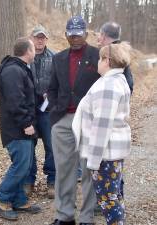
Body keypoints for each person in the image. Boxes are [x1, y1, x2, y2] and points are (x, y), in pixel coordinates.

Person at [72, 42, 131, 225]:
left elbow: (101, 127)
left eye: (99, 58)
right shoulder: (116, 80)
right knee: (113, 197)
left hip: (105, 154)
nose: (97, 62)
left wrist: (93, 160)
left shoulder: (108, 85)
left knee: (108, 199)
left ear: (107, 60)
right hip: (111, 152)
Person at [48, 16, 99, 225]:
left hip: (89, 120)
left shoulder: (98, 55)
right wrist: (54, 107)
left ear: (86, 34)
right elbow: (52, 87)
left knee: (89, 169)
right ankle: (64, 215)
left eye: (79, 33)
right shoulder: (58, 58)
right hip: (63, 120)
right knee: (64, 170)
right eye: (72, 34)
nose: (75, 37)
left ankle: (87, 217)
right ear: (66, 35)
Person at [0, 37, 41, 221]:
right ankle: (2, 199)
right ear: (27, 51)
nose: (35, 52)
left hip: (23, 129)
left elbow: (27, 96)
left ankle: (19, 200)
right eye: (33, 49)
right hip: (16, 129)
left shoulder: (20, 69)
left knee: (26, 165)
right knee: (20, 166)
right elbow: (15, 102)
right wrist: (26, 123)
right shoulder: (13, 71)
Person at [24, 25, 56, 199]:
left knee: (51, 145)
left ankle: (52, 180)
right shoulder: (25, 57)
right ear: (31, 38)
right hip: (29, 109)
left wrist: (50, 94)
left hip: (46, 109)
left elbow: (59, 82)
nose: (40, 40)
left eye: (43, 37)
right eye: (37, 37)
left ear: (47, 39)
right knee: (29, 145)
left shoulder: (54, 57)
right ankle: (29, 180)